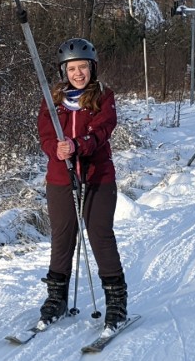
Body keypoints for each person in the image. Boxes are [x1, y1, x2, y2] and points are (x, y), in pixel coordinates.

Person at [35, 38, 127, 330]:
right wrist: (56, 149)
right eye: (72, 68)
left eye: (83, 67)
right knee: (62, 237)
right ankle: (56, 297)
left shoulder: (104, 96)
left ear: (92, 68)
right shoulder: (53, 100)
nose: (78, 73)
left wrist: (78, 145)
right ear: (64, 71)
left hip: (97, 177)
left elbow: (103, 130)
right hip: (61, 178)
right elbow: (45, 134)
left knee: (100, 235)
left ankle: (116, 302)